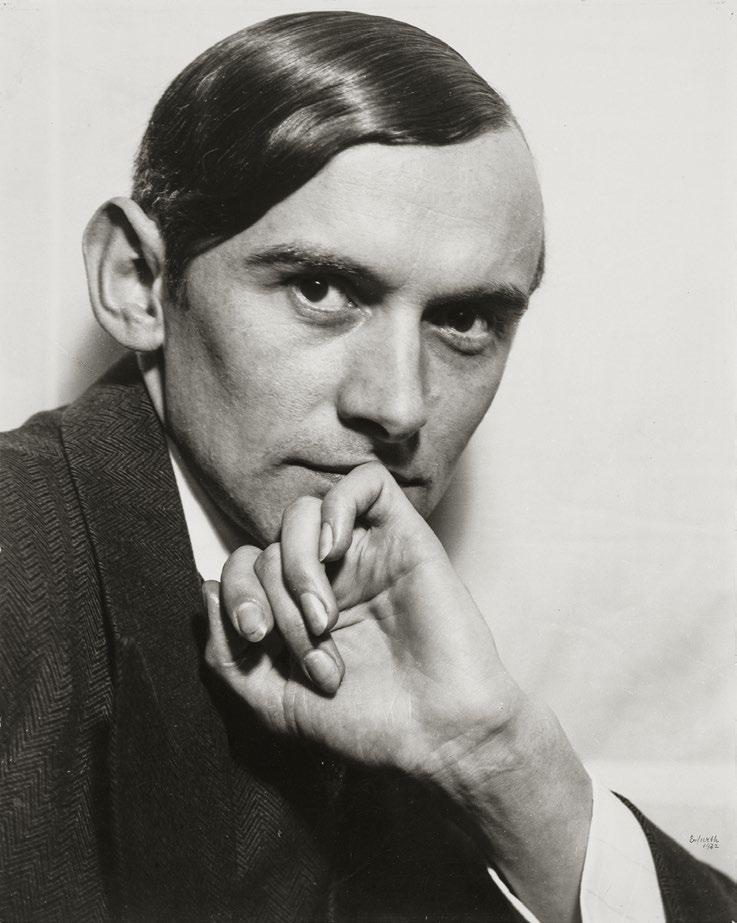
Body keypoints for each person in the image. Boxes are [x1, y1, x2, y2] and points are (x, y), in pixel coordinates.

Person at [0, 10, 733, 922]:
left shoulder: (412, 641)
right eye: (320, 289)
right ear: (138, 283)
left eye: (464, 320)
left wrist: (496, 757)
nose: (398, 404)